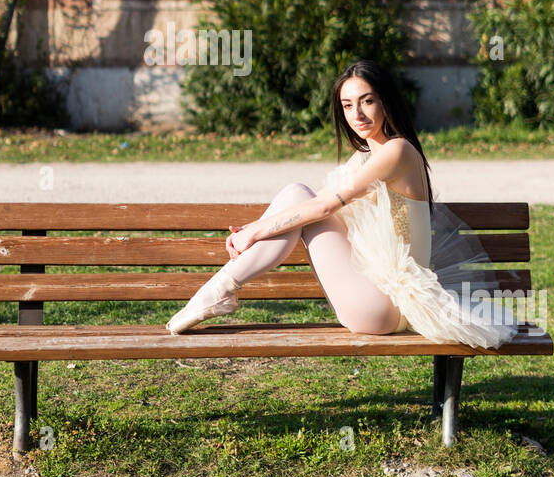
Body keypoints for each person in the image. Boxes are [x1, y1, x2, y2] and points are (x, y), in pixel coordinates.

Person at [165, 59, 521, 349]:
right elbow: (313, 209)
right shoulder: (367, 156)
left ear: (385, 101)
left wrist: (253, 230)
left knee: (299, 195)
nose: (357, 114)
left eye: (367, 101)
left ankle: (220, 290)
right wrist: (254, 231)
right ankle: (220, 291)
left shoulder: (398, 151)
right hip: (372, 300)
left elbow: (321, 208)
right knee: (297, 195)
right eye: (347, 105)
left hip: (382, 306)